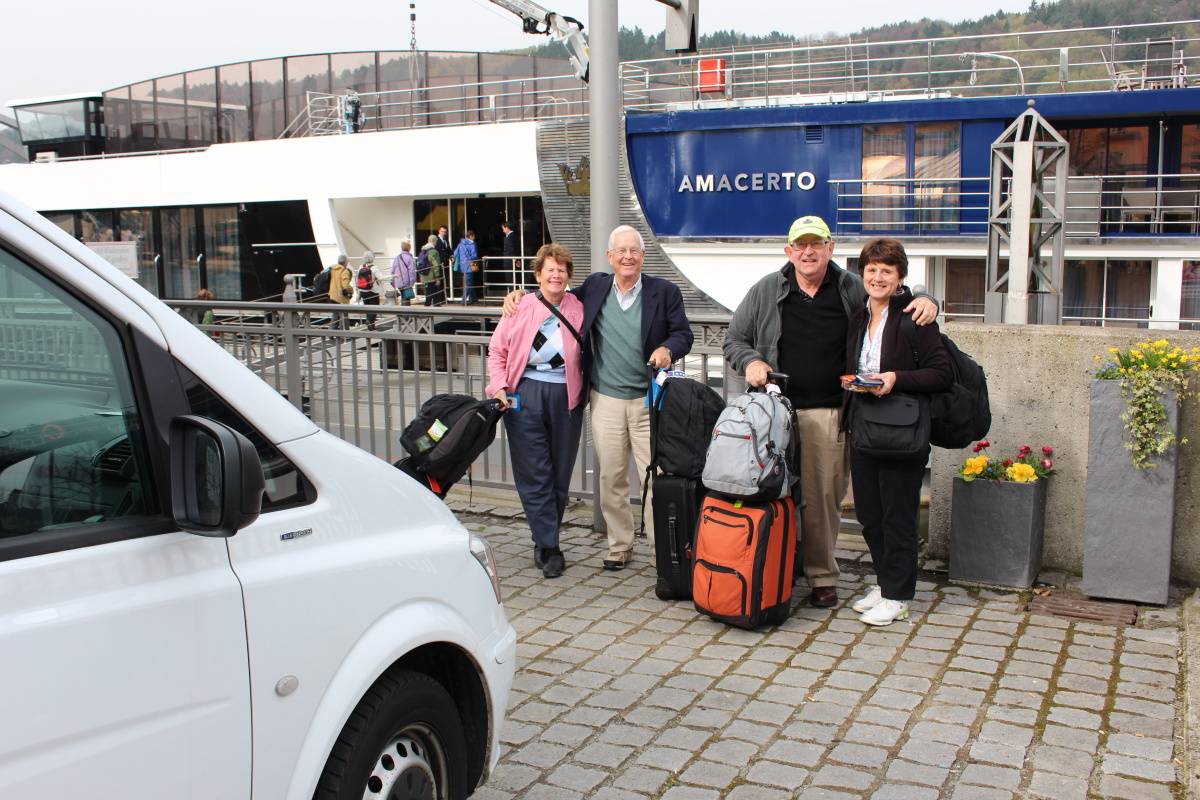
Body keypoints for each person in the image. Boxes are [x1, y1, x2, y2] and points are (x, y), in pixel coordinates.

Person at [723, 215, 938, 608]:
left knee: (823, 500)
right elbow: (734, 339)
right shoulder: (767, 289)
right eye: (800, 245)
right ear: (789, 251)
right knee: (772, 492)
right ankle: (774, 566)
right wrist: (751, 360)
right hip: (776, 413)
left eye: (816, 245)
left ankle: (822, 575)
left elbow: (893, 296)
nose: (808, 252)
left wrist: (928, 299)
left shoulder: (849, 287)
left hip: (830, 413)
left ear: (830, 249)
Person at [504, 225, 693, 571]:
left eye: (633, 251)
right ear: (610, 257)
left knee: (655, 475)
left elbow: (684, 333)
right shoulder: (595, 288)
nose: (627, 257)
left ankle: (660, 550)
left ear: (643, 256)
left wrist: (668, 348)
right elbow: (553, 293)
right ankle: (620, 546)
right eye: (620, 251)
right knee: (611, 477)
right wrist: (520, 295)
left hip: (648, 402)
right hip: (604, 398)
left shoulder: (663, 292)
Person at [841, 239, 952, 626]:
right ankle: (886, 582)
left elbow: (941, 373)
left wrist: (894, 378)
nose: (877, 277)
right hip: (865, 425)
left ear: (900, 276)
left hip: (903, 430)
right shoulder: (859, 316)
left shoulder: (915, 317)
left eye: (886, 271)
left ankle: (899, 595)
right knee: (870, 514)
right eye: (871, 270)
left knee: (898, 515)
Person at [487, 243, 585, 579]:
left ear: (568, 276)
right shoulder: (520, 306)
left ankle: (545, 537)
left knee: (559, 471)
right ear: (538, 274)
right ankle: (549, 545)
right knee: (534, 471)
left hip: (567, 394)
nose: (556, 275)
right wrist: (498, 386)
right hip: (525, 392)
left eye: (561, 270)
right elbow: (497, 351)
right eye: (550, 269)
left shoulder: (579, 307)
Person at [454, 230, 480, 305]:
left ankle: (473, 298)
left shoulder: (460, 244)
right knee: (468, 284)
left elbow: (455, 253)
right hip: (470, 266)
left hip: (463, 266)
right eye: (474, 236)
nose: (475, 237)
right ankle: (463, 300)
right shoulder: (472, 244)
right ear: (471, 236)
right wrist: (476, 260)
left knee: (470, 282)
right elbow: (474, 255)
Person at [418, 235, 445, 306]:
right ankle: (428, 304)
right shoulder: (434, 251)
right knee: (433, 289)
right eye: (436, 241)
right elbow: (436, 265)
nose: (436, 243)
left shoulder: (423, 250)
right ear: (433, 241)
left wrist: (420, 275)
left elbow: (419, 263)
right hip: (431, 275)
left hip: (424, 273)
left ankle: (436, 303)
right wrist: (437, 277)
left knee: (430, 289)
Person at [501, 220, 521, 286]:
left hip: (510, 261)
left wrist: (516, 260)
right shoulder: (511, 236)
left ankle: (512, 293)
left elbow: (512, 249)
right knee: (511, 278)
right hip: (510, 261)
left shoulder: (511, 236)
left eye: (503, 228)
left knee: (510, 278)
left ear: (507, 227)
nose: (503, 231)